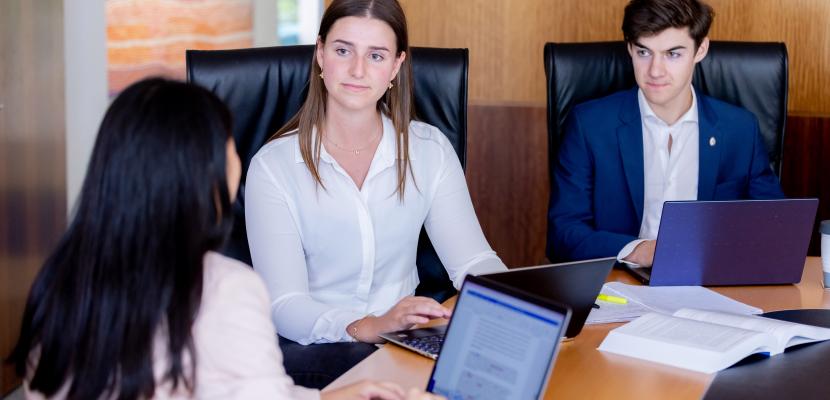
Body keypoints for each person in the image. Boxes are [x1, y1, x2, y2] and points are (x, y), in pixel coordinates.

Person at [9, 78, 436, 400]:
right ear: (203, 177)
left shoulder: (62, 280)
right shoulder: (223, 286)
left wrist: (328, 395)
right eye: (229, 147)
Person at [245, 0, 506, 386]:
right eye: (342, 50)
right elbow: (285, 305)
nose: (357, 70)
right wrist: (371, 326)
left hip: (405, 343)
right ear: (320, 54)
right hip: (314, 348)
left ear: (396, 67)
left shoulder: (427, 149)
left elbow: (472, 259)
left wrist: (526, 310)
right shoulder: (275, 166)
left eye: (376, 55)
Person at [546, 0, 785, 266]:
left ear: (700, 49)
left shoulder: (740, 129)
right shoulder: (589, 124)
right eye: (644, 52)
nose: (655, 71)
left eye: (673, 54)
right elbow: (562, 235)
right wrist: (639, 250)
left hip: (710, 286)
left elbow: (774, 231)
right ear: (630, 49)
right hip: (621, 285)